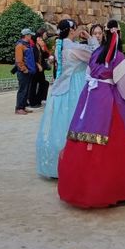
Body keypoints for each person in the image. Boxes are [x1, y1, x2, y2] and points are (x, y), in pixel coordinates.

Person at [58, 20, 125, 208]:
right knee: (119, 141)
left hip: (91, 99)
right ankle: (120, 187)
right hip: (112, 102)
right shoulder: (119, 57)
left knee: (87, 139)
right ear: (119, 35)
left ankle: (84, 185)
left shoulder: (96, 54)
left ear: (105, 35)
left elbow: (89, 75)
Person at [35, 19, 92, 179]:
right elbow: (95, 55)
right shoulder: (75, 48)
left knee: (61, 123)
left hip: (62, 88)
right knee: (77, 122)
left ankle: (57, 161)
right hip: (77, 86)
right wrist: (90, 38)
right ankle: (76, 161)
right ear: (72, 30)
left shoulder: (62, 47)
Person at [14, 28, 37, 115]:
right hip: (23, 72)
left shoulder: (27, 45)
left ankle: (23, 107)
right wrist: (24, 69)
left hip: (28, 71)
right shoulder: (20, 45)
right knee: (22, 90)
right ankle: (19, 108)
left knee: (26, 90)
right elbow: (19, 60)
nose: (31, 36)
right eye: (30, 35)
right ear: (26, 35)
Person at [29, 28, 51, 109]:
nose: (42, 40)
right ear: (37, 39)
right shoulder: (34, 48)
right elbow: (33, 58)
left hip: (40, 70)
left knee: (43, 83)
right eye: (41, 39)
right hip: (35, 70)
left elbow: (45, 56)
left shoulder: (39, 48)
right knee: (33, 85)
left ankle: (39, 99)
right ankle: (33, 102)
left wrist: (43, 48)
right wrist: (38, 65)